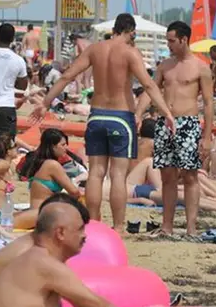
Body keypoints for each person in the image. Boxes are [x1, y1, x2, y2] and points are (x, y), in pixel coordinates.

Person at [33, 13, 174, 232]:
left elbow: (66, 76)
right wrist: (167, 114)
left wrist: (46, 102)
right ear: (131, 31)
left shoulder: (94, 49)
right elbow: (148, 85)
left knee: (96, 173)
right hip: (120, 117)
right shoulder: (130, 52)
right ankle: (117, 227)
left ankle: (93, 225)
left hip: (97, 115)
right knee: (118, 175)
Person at [0, 201, 121, 307]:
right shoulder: (44, 264)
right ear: (60, 233)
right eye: (80, 229)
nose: (84, 235)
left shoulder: (33, 258)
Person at [139, 20, 213, 237]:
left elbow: (208, 103)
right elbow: (150, 90)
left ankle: (191, 228)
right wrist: (137, 113)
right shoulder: (165, 66)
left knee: (190, 177)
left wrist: (207, 136)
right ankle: (167, 226)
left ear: (184, 39)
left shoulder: (201, 67)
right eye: (167, 41)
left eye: (172, 41)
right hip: (164, 124)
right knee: (167, 177)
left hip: (188, 122)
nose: (169, 44)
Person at [16, 129, 84, 230]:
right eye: (63, 145)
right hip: (42, 214)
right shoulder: (52, 165)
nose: (66, 148)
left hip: (37, 212)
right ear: (53, 146)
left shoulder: (40, 163)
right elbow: (74, 192)